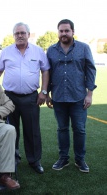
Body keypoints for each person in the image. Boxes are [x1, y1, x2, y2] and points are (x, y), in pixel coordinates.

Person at [0, 22, 50, 174]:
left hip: (31, 98)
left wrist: (44, 91)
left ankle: (34, 160)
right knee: (11, 130)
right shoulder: (6, 52)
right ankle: (13, 159)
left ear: (28, 34)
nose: (20, 36)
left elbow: (45, 71)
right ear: (14, 36)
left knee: (32, 131)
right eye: (17, 33)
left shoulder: (38, 52)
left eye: (23, 33)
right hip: (9, 98)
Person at [46, 19, 97, 173]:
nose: (64, 34)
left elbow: (91, 70)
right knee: (62, 129)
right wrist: (47, 94)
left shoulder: (83, 48)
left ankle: (80, 159)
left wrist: (89, 94)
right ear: (58, 32)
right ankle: (63, 158)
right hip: (59, 97)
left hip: (78, 97)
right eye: (61, 31)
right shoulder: (51, 50)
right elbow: (47, 72)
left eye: (67, 30)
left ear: (73, 32)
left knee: (79, 129)